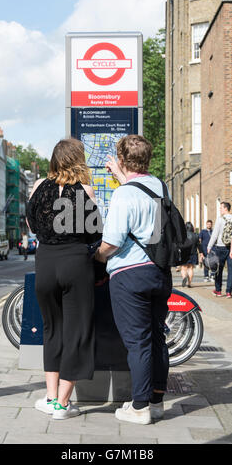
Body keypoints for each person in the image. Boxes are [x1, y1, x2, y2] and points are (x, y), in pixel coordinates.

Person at [95, 135, 172, 425]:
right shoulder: (160, 188)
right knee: (155, 337)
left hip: (130, 275)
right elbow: (153, 235)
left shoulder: (124, 194)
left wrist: (99, 258)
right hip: (159, 273)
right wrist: (121, 176)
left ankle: (138, 407)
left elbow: (112, 242)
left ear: (124, 160)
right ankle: (155, 401)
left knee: (137, 342)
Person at [26, 138, 102, 420]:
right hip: (75, 263)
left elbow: (31, 224)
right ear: (77, 160)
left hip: (45, 263)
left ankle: (49, 395)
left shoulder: (37, 187)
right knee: (77, 331)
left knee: (51, 329)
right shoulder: (85, 190)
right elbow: (95, 234)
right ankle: (62, 403)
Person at [207, 202, 232, 298]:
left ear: (226, 208)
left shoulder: (220, 219)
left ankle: (218, 290)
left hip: (220, 247)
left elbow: (215, 234)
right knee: (231, 271)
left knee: (218, 270)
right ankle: (229, 292)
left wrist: (209, 246)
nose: (220, 209)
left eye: (221, 208)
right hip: (230, 248)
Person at [180, 222, 200, 288]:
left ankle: (184, 277)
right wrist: (202, 252)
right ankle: (189, 283)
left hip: (184, 253)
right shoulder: (196, 235)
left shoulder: (183, 235)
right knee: (190, 268)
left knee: (183, 268)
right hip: (193, 253)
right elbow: (199, 245)